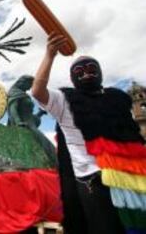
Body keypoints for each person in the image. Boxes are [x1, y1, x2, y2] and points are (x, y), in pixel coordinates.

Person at [31, 33, 146, 233]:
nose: (86, 73)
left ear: (100, 72)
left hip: (131, 177)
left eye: (92, 69)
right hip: (94, 180)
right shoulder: (64, 99)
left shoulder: (117, 98)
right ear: (73, 77)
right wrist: (50, 55)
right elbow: (37, 91)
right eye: (79, 71)